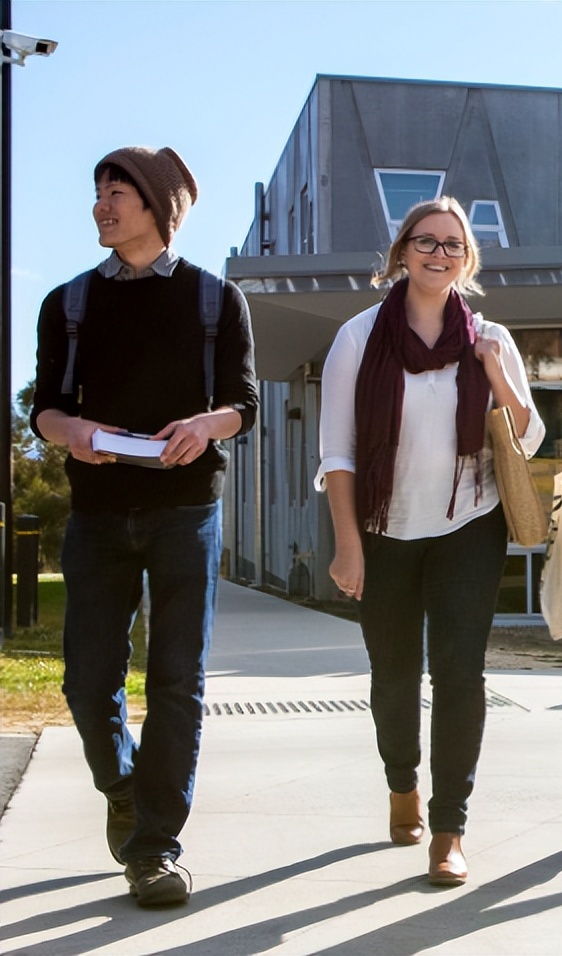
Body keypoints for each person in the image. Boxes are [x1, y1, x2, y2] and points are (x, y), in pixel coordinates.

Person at [31, 147, 258, 907]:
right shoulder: (67, 304)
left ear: (158, 207)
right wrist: (73, 434)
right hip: (96, 515)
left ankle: (155, 847)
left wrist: (206, 424)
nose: (101, 203)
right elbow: (46, 409)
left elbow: (244, 405)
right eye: (97, 190)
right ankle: (124, 788)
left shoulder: (213, 300)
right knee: (88, 683)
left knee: (176, 682)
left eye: (117, 191)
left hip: (184, 510)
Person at [317, 197, 543, 886]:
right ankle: (400, 782)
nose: (438, 253)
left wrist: (496, 372)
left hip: (468, 527)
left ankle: (450, 828)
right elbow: (339, 453)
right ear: (402, 251)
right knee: (392, 678)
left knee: (459, 675)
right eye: (425, 241)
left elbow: (530, 438)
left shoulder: (490, 336)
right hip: (384, 533)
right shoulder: (358, 338)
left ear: (466, 259)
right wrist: (348, 543)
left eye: (452, 244)